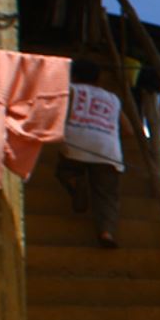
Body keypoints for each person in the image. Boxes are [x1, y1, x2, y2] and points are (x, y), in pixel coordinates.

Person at [53, 59, 125, 247]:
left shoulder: (71, 90)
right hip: (108, 151)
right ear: (99, 79)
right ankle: (106, 233)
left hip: (76, 144)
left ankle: (75, 182)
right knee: (107, 195)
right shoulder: (113, 99)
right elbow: (129, 130)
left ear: (74, 76)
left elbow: (56, 113)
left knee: (65, 169)